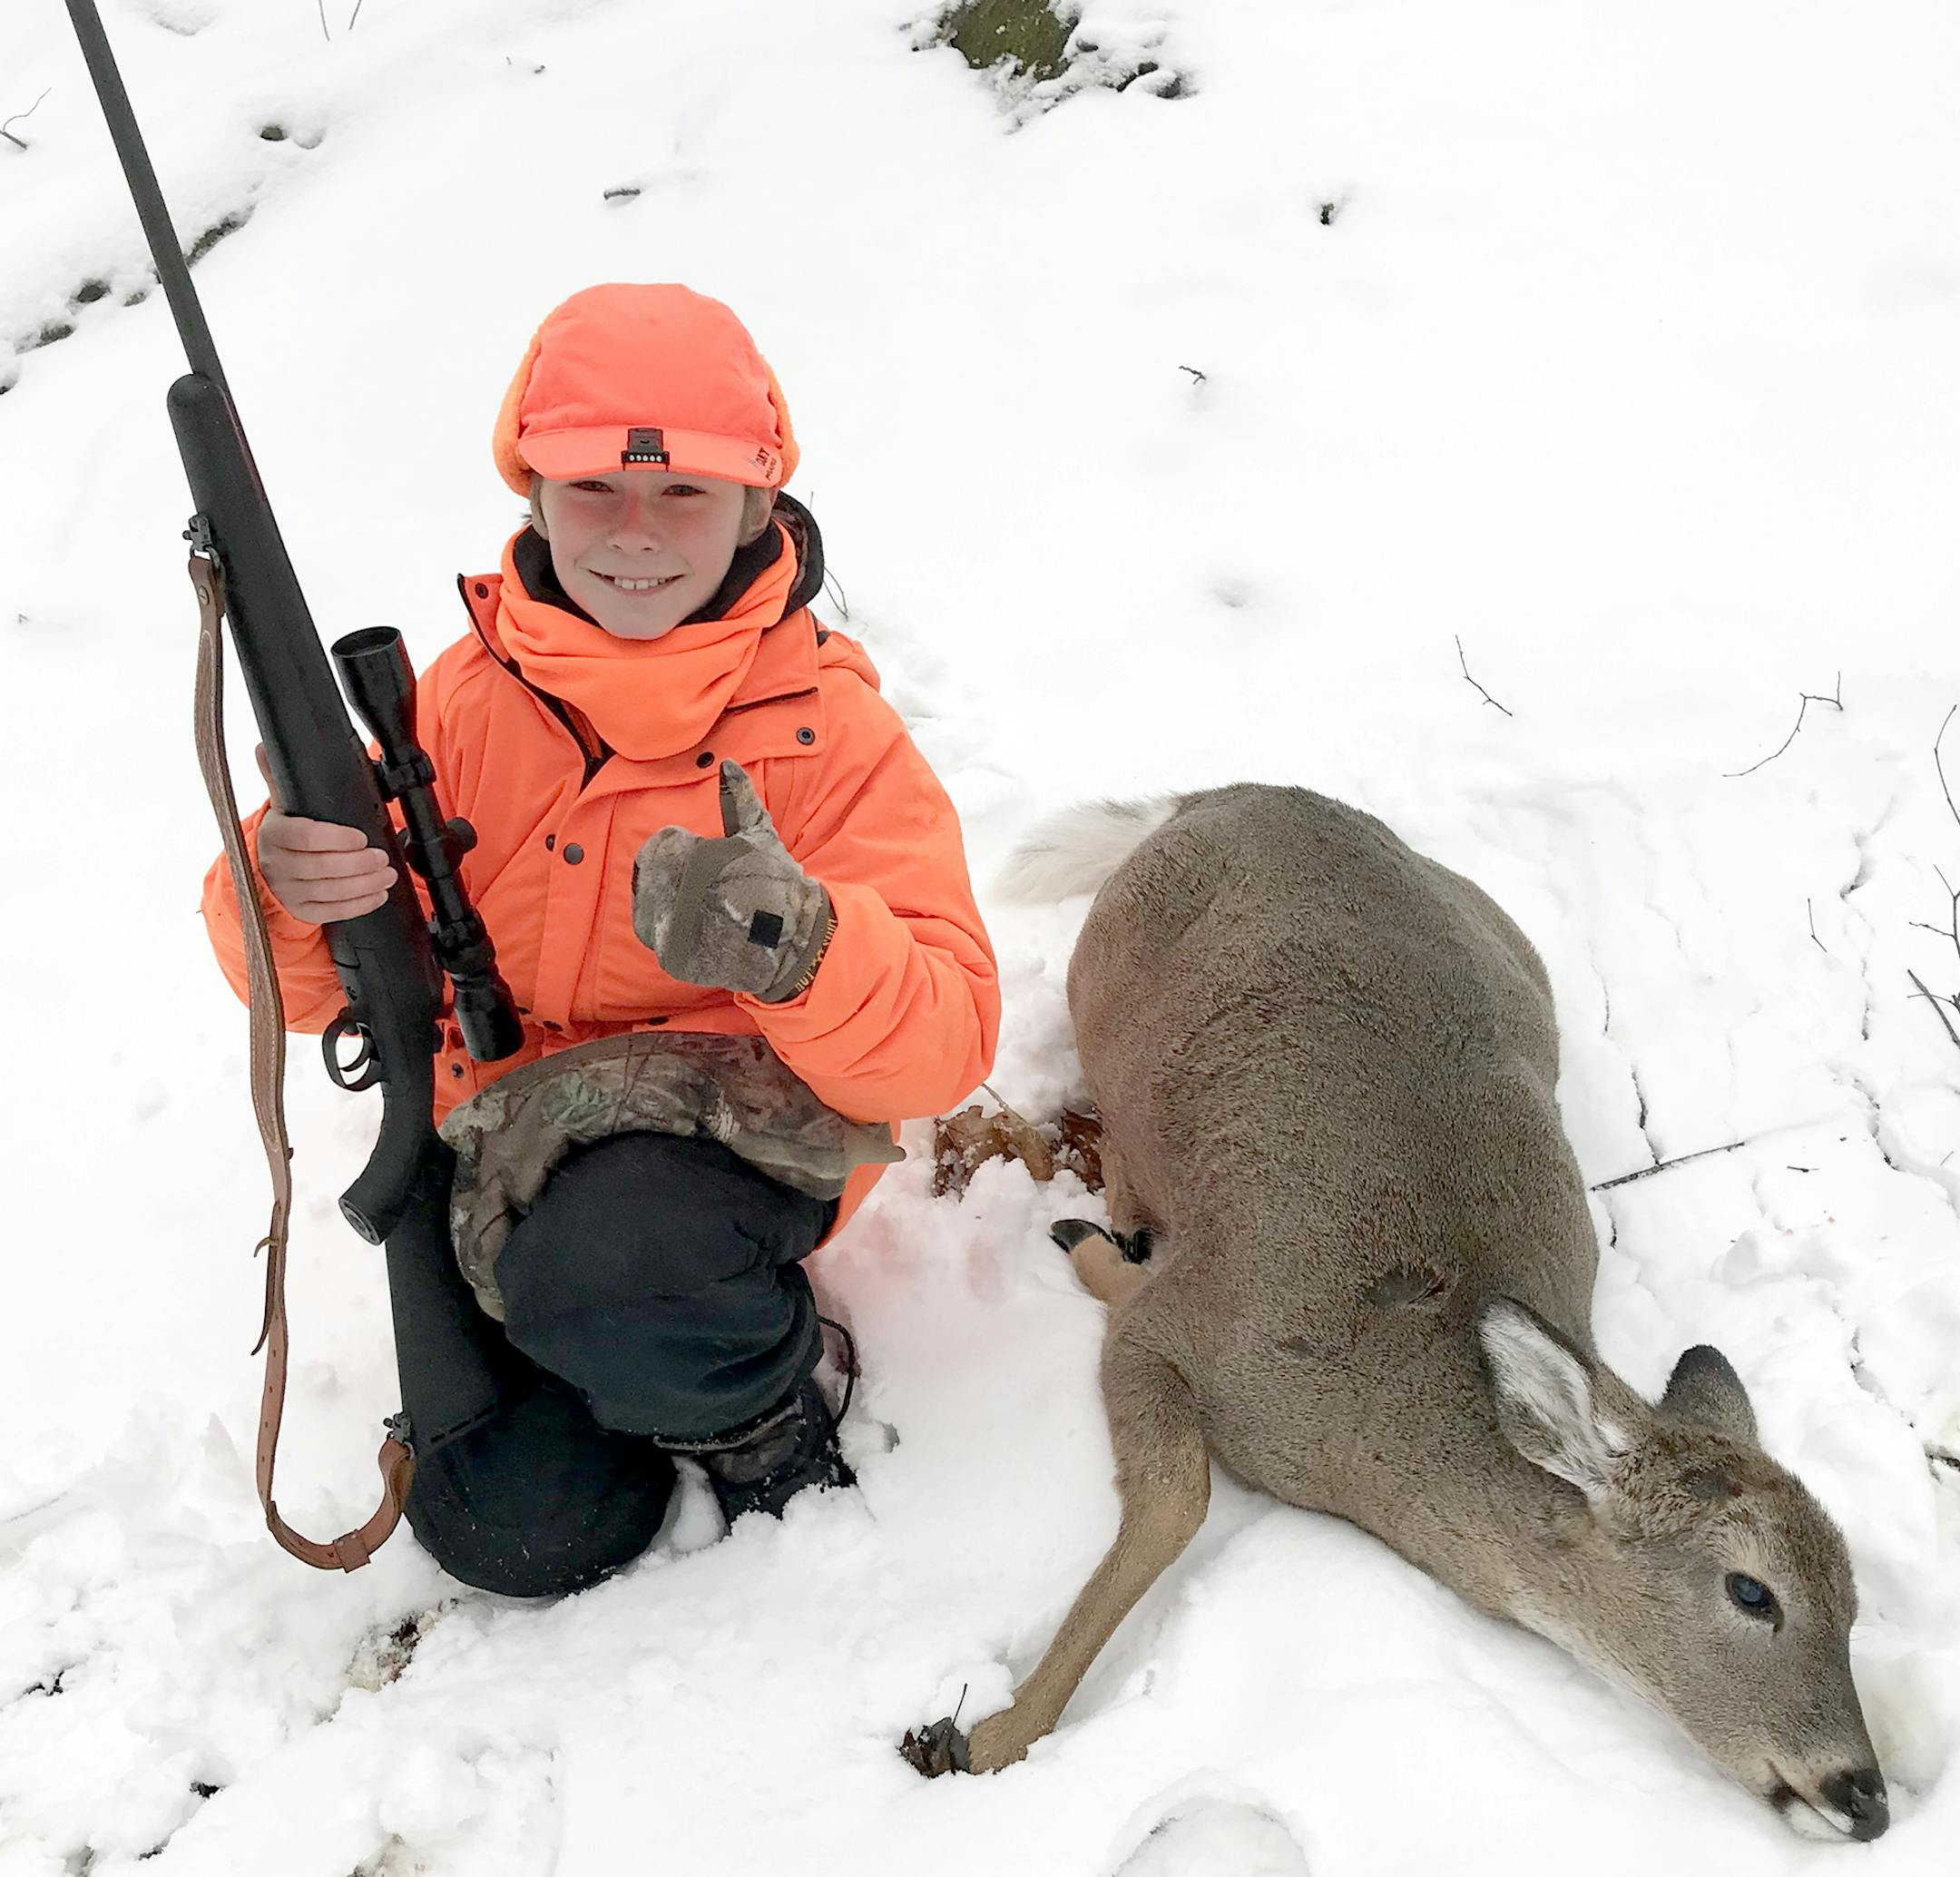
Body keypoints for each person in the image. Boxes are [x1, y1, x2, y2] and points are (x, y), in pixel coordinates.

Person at [201, 283, 1000, 1595]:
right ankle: (615, 1344)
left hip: (718, 1157)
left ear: (756, 506)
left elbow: (942, 1049)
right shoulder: (452, 707)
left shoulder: (827, 734)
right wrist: (278, 882)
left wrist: (803, 950)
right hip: (500, 1137)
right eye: (593, 492)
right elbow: (292, 994)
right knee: (520, 1534)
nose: (635, 534)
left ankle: (764, 1408)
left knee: (616, 1271)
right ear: (533, 499)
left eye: (683, 493)